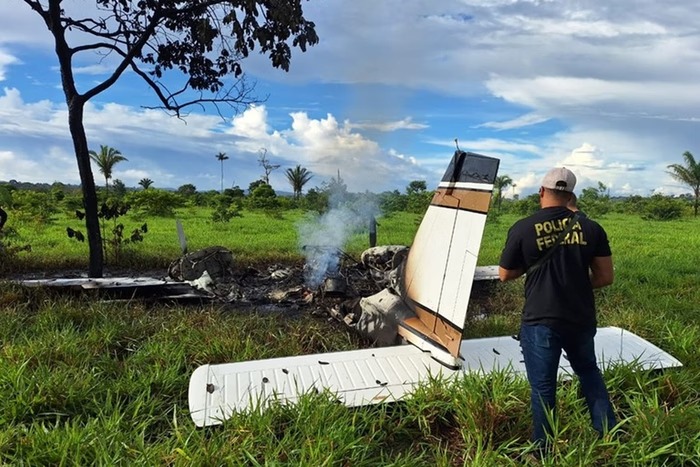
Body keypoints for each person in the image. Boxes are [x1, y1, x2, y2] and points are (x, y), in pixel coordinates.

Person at [498, 167, 616, 450]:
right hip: (580, 318)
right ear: (570, 195)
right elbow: (605, 277)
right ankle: (611, 438)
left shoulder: (523, 227)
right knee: (589, 373)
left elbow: (505, 274)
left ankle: (544, 452)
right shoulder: (591, 228)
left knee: (543, 388)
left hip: (540, 319)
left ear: (541, 191)